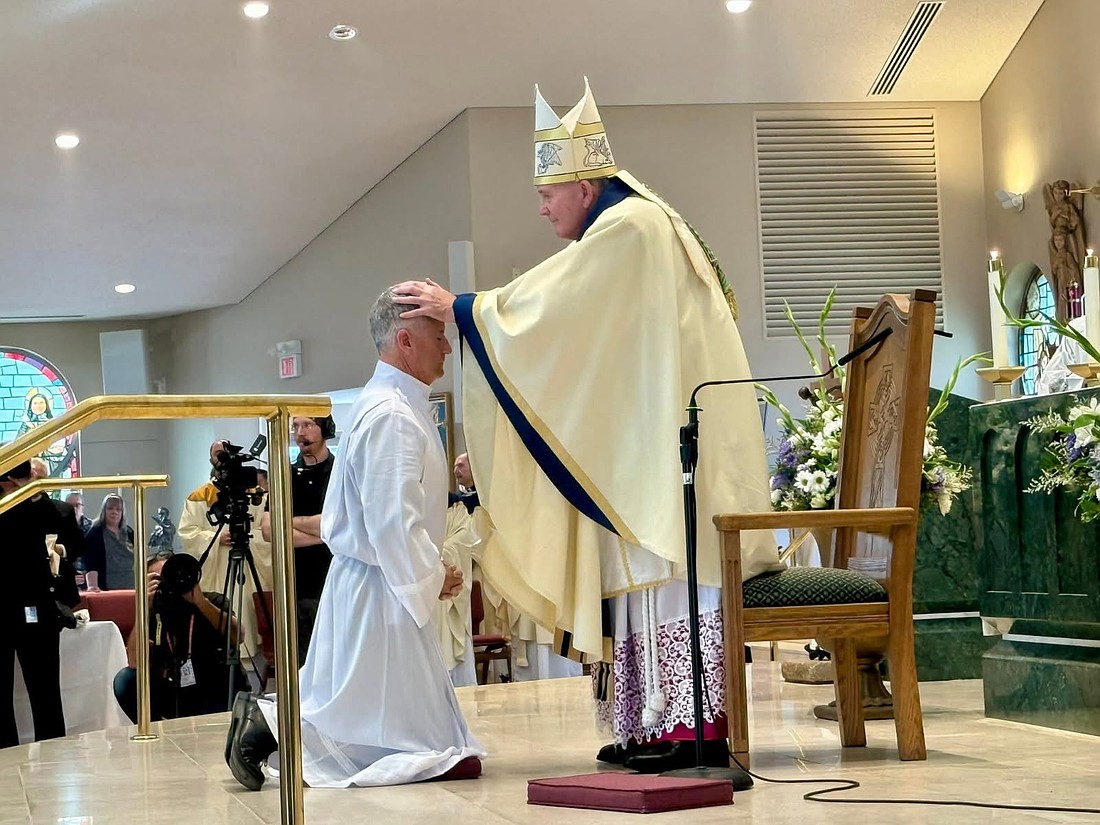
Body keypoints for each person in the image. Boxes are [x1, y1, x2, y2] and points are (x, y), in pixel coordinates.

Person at [393, 79, 780, 772]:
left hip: (668, 452)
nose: (542, 207)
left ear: (585, 183)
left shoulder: (631, 226)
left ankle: (689, 727)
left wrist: (466, 307)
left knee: (661, 574)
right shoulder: (627, 224)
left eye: (548, 193)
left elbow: (554, 307)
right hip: (646, 438)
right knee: (639, 577)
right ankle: (647, 721)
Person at [226, 289, 485, 790]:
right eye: (440, 337)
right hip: (381, 587)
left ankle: (267, 726)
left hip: (378, 581)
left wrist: (430, 573)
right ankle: (267, 726)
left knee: (364, 712)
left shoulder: (394, 405)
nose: (448, 349)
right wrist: (434, 576)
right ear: (405, 341)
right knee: (401, 738)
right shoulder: (391, 414)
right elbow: (392, 522)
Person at [0, 460, 81, 747]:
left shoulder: (46, 508)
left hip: (40, 604)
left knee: (45, 689)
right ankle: (5, 753)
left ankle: (52, 749)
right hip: (5, 606)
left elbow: (72, 544)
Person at [113, 552, 247, 722]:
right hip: (179, 691)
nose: (169, 583)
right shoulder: (155, 612)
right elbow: (135, 662)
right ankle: (157, 734)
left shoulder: (211, 601)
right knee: (126, 680)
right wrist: (143, 609)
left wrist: (200, 601)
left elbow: (238, 636)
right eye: (160, 579)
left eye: (171, 575)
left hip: (218, 689)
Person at [178, 440, 271, 658]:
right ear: (211, 460)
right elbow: (188, 533)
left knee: (250, 615)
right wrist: (216, 537)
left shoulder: (255, 495)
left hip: (249, 567)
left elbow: (267, 531)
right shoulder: (199, 497)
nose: (223, 458)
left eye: (227, 453)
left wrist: (246, 535)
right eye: (218, 454)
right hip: (217, 568)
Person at [259, 416, 336, 666]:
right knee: (300, 662)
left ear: (324, 429)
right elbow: (270, 530)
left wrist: (290, 520)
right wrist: (322, 534)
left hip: (332, 578)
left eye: (307, 425)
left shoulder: (340, 472)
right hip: (294, 584)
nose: (299, 432)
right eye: (295, 426)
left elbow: (337, 525)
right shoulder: (285, 476)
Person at [438, 453, 479, 686]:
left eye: (460, 465)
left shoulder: (456, 508)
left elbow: (465, 540)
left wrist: (437, 556)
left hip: (445, 586)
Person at [83, 494, 136, 591]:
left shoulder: (129, 532)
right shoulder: (95, 533)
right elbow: (91, 562)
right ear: (104, 511)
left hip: (132, 586)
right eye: (110, 508)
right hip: (107, 587)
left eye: (118, 509)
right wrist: (92, 585)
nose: (114, 512)